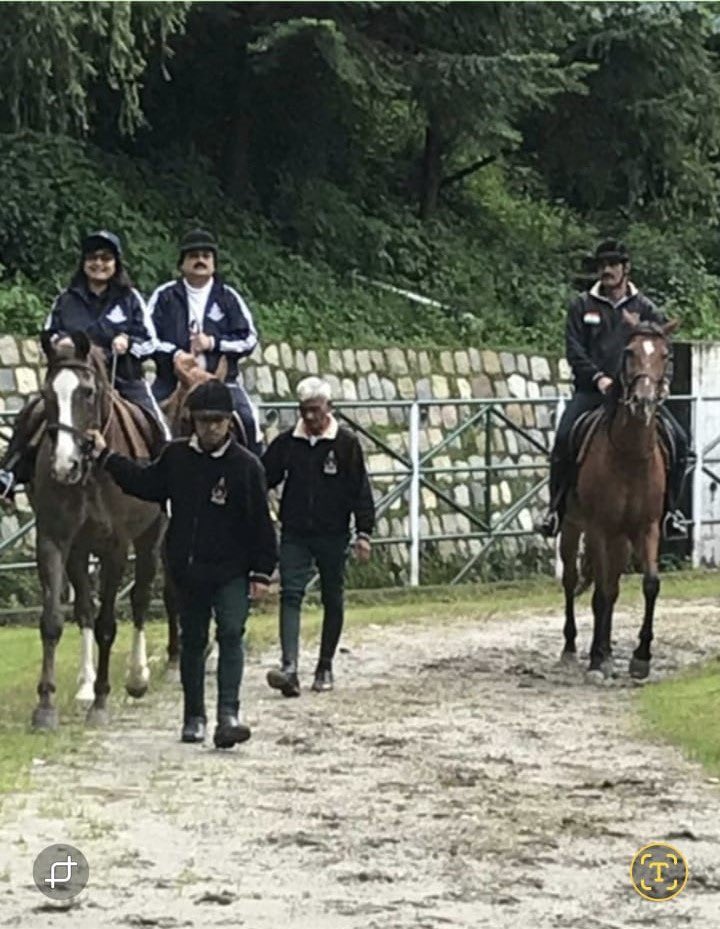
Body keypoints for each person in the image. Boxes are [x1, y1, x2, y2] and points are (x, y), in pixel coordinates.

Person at [86, 380, 277, 747]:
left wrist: (262, 571)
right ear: (193, 421)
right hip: (188, 568)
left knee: (231, 633)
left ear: (229, 422)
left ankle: (228, 713)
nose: (210, 428)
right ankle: (193, 716)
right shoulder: (176, 458)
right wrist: (107, 457)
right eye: (204, 420)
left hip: (232, 570)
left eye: (218, 421)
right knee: (192, 641)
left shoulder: (246, 466)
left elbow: (261, 525)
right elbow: (143, 483)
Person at [537, 238, 689, 539]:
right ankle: (555, 510)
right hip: (592, 393)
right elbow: (575, 350)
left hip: (635, 396)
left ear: (625, 269)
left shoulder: (646, 308)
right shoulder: (582, 305)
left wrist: (663, 383)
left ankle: (671, 512)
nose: (605, 270)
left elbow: (661, 350)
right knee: (564, 439)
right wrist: (598, 379)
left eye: (612, 265)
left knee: (681, 441)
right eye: (601, 265)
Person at [0, 229, 168, 502]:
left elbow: (150, 341)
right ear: (83, 262)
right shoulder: (65, 299)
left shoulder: (130, 298)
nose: (98, 264)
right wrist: (62, 344)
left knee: (157, 424)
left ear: (116, 263)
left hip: (123, 380)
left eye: (105, 258)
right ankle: (9, 475)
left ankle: (168, 481)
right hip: (74, 380)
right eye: (92, 258)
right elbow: (49, 333)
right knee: (32, 413)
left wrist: (128, 344)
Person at [262, 376, 375, 696]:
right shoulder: (287, 443)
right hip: (295, 530)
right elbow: (263, 477)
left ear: (329, 408)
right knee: (291, 593)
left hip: (333, 532)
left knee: (332, 595)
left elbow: (360, 491)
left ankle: (325, 664)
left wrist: (364, 532)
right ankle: (289, 667)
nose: (309, 417)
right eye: (303, 411)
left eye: (315, 410)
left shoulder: (346, 444)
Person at [148, 229, 262, 456]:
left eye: (206, 256)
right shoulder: (164, 296)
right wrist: (175, 355)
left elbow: (249, 338)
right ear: (182, 264)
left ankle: (257, 480)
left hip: (220, 383)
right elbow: (147, 336)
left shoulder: (228, 297)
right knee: (147, 420)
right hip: (171, 381)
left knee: (249, 422)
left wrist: (213, 343)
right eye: (193, 256)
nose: (200, 260)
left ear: (214, 263)